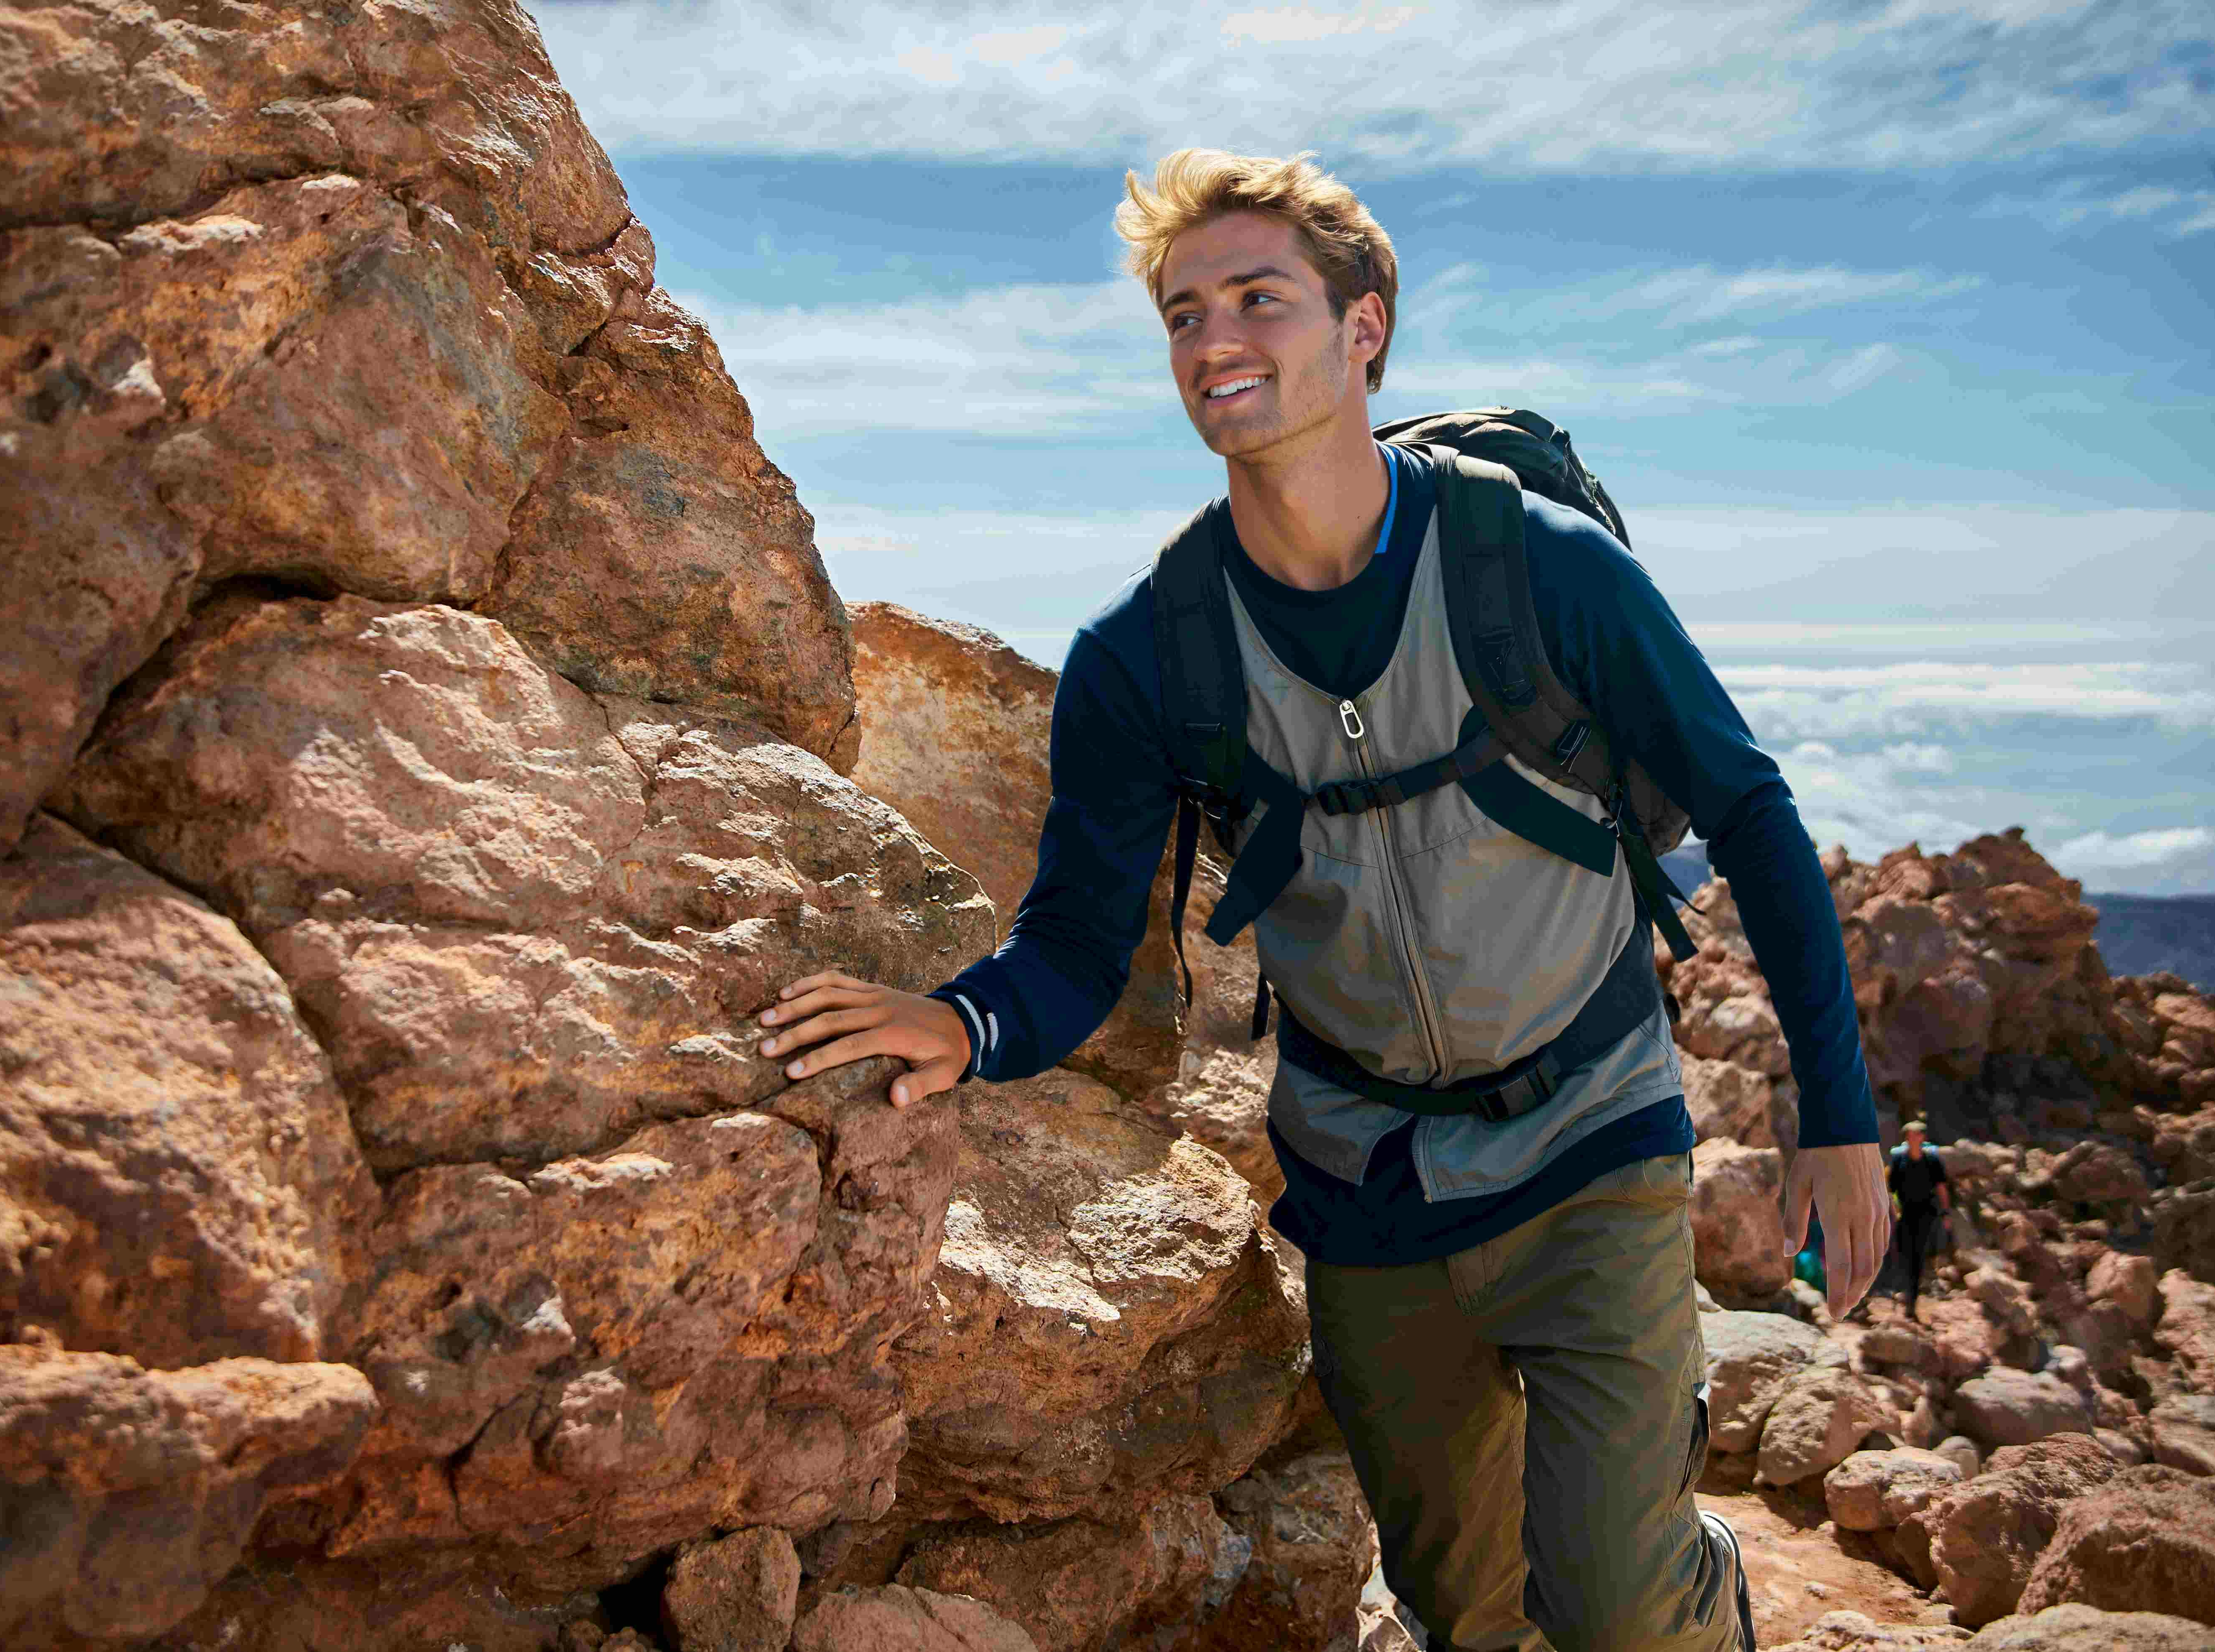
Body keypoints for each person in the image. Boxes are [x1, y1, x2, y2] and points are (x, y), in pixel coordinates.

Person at [754, 149, 1889, 1652]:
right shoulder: (1143, 653)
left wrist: (1836, 1113)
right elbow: (1076, 945)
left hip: (1590, 1143)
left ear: (1362, 328)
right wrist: (959, 1021)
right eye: (1178, 313)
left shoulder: (1537, 570)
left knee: (1615, 1597)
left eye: (1255, 298)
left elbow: (1745, 808)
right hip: (1370, 1194)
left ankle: (1702, 1604)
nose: (1212, 339)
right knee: (1460, 1605)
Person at [1886, 1118, 1953, 1317]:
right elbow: (1891, 1190)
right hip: (1905, 1213)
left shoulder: (1932, 1161)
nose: (1912, 1139)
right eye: (1909, 1136)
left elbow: (1941, 1188)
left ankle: (1912, 1299)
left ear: (1922, 1138)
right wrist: (1894, 1209)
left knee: (1918, 1254)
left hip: (1927, 1214)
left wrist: (1946, 1213)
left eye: (1915, 1135)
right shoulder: (1899, 1161)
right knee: (1905, 1253)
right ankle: (1907, 1291)